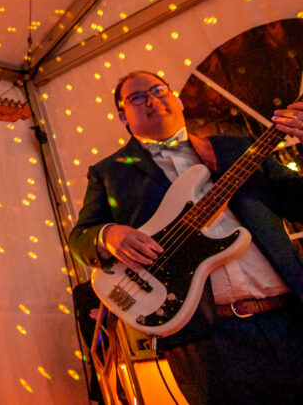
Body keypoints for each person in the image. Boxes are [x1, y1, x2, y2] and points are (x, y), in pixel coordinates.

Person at [69, 70, 303, 404]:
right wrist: (108, 235)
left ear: (177, 99)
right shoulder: (110, 172)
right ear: (123, 117)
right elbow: (80, 237)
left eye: (158, 89)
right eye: (136, 97)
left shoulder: (239, 147)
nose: (151, 99)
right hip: (207, 343)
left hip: (290, 317)